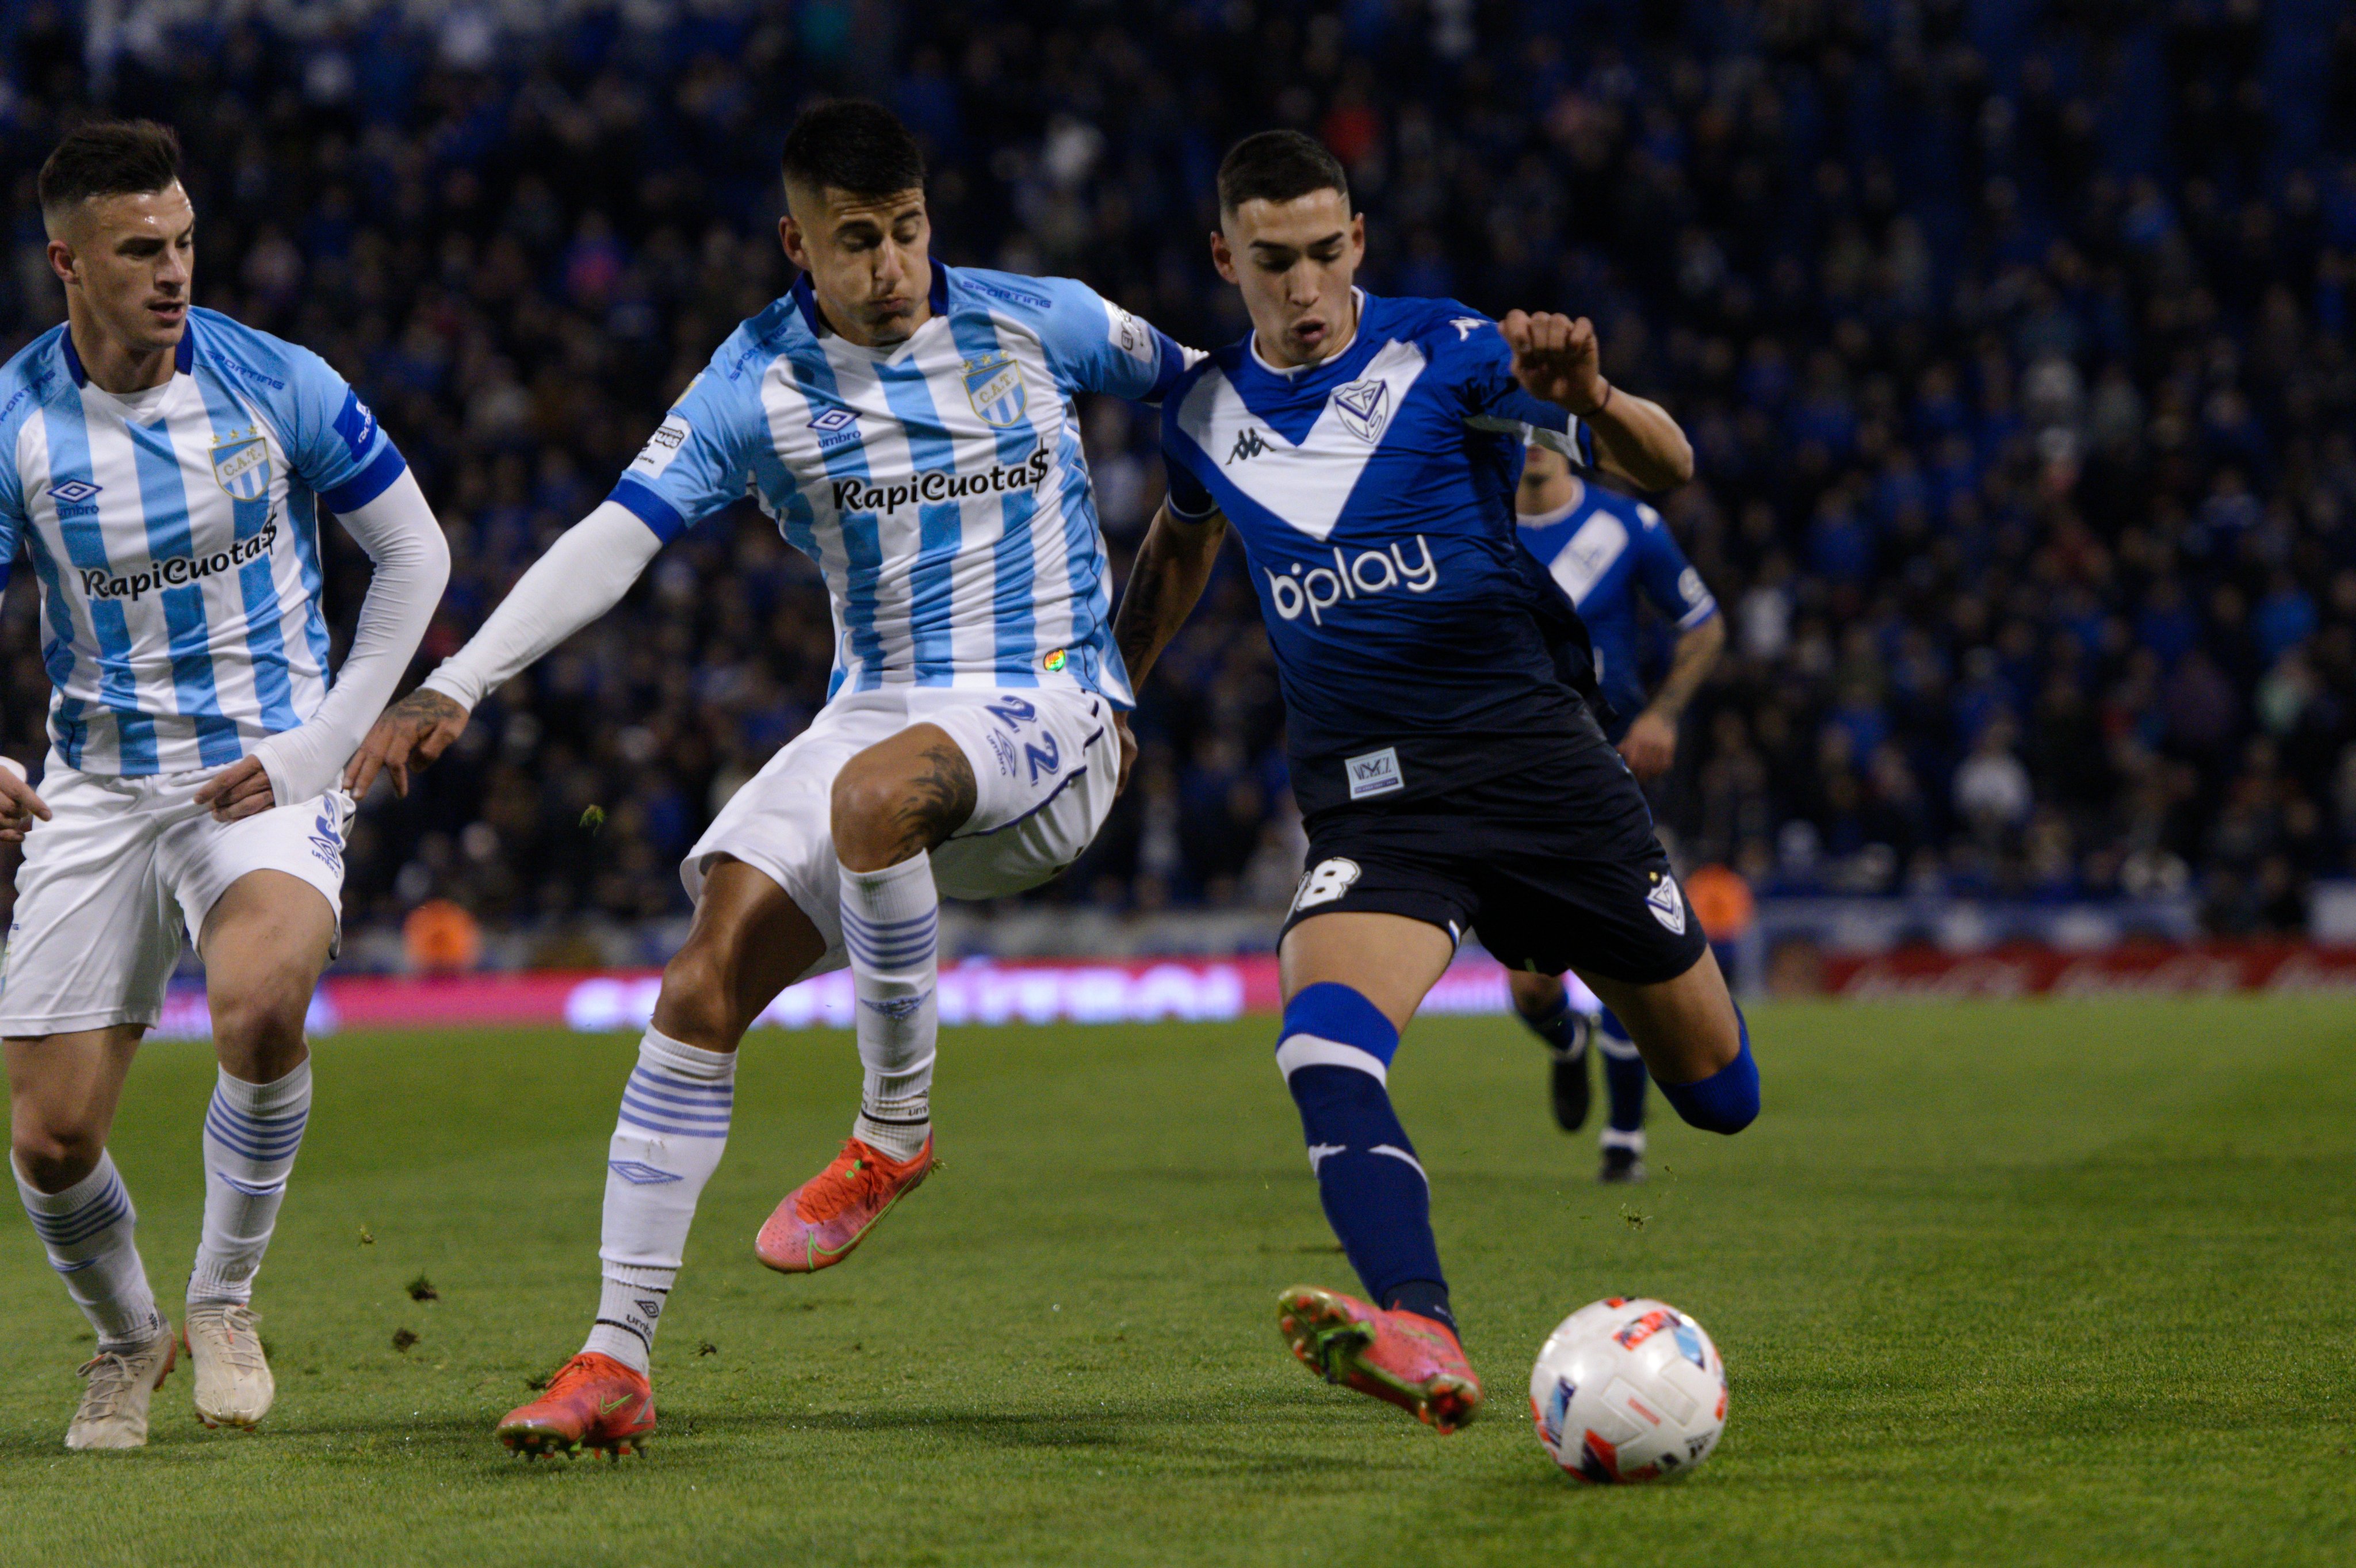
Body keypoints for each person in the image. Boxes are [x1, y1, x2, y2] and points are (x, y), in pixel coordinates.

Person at [346, 101, 1191, 1458]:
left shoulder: (1043, 318)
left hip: (1045, 705)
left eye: (908, 232)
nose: (893, 268)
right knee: (700, 982)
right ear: (795, 242)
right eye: (856, 242)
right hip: (877, 711)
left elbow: (1224, 403)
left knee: (869, 799)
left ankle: (892, 1130)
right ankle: (614, 1358)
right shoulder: (755, 381)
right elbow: (612, 541)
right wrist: (461, 678)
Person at [1111, 131, 1759, 1435]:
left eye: (1324, 255)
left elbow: (1665, 469)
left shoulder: (1451, 351)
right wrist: (1109, 689)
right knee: (1319, 1036)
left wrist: (1599, 393)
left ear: (1357, 242)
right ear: (1222, 257)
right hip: (1376, 801)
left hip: (1542, 772)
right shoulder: (1201, 414)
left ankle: (1583, 978)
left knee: (1718, 1093)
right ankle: (1420, 1324)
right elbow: (1179, 552)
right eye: (1271, 261)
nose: (1301, 289)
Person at [0, 121, 449, 1448]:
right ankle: (131, 1334)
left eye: (185, 242)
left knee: (260, 1007)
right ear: (67, 264)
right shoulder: (18, 423)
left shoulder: (276, 381)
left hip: (262, 767)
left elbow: (413, 558)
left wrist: (321, 750)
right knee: (51, 1141)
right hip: (93, 787)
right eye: (141, 250)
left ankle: (226, 1297)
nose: (174, 271)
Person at [1509, 439, 1725, 1183]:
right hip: (1514, 775)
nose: (1532, 441)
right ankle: (1566, 1043)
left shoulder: (1628, 526)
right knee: (1532, 988)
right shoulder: (1471, 525)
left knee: (1620, 951)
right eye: (1517, 425)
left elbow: (1704, 624)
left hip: (1611, 767)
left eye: (1545, 425)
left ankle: (1624, 1140)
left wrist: (1663, 713)